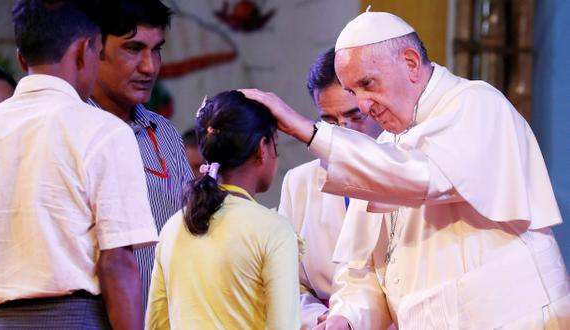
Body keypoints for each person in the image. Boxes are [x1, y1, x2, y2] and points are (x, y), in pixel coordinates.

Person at [242, 11, 570, 329]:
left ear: (410, 63)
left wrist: (308, 131)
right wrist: (347, 319)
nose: (365, 104)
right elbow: (364, 274)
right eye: (355, 91)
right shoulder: (384, 151)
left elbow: (419, 177)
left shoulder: (476, 104)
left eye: (368, 84)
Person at [0, 1, 157, 329]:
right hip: (76, 319)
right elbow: (117, 264)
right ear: (85, 50)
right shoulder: (104, 131)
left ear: (22, 58)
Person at [146, 90, 300, 329]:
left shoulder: (174, 226)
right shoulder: (273, 230)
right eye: (275, 144)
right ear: (262, 148)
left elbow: (156, 325)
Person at [87, 0, 195, 309]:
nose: (149, 67)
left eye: (156, 49)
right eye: (133, 49)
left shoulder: (163, 132)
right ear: (92, 48)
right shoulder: (72, 131)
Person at [277, 47, 383, 329]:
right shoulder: (299, 183)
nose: (343, 132)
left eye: (355, 117)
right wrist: (322, 320)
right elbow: (288, 285)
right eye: (330, 121)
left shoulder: (411, 175)